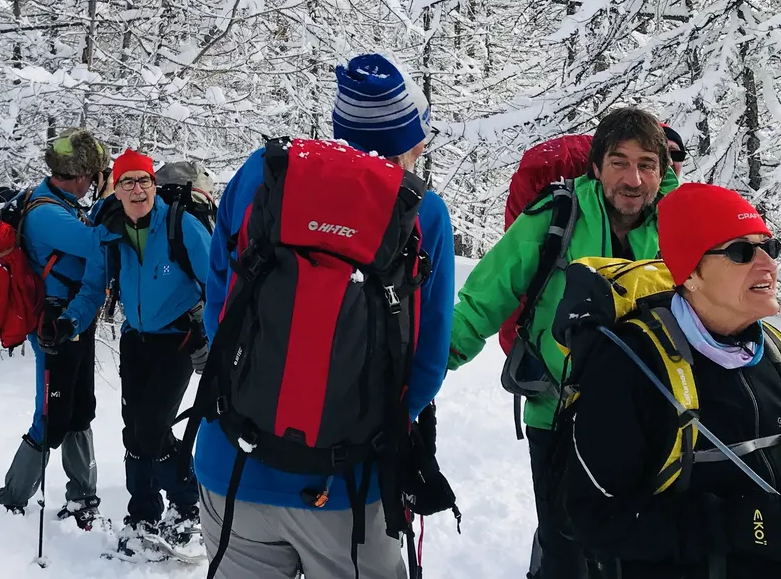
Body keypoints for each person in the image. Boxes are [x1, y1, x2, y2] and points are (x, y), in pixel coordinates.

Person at [194, 53, 455, 579]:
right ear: (408, 139)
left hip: (234, 465)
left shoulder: (258, 175)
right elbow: (425, 367)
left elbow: (219, 315)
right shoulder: (423, 212)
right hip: (349, 492)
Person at [449, 109, 680, 579]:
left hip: (656, 420)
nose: (633, 179)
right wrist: (413, 375)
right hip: (560, 416)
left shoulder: (681, 225)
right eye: (619, 161)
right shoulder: (556, 216)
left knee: (645, 552)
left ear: (662, 170)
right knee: (565, 552)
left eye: (646, 164)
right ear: (596, 167)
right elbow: (480, 302)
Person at [565, 182, 781, 578]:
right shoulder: (632, 365)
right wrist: (743, 525)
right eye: (741, 251)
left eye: (770, 246)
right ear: (691, 272)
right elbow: (597, 517)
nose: (768, 263)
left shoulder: (772, 347)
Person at [97, 148, 211, 561]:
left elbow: (220, 283)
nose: (137, 189)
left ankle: (188, 507)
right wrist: (71, 321)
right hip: (136, 339)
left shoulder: (181, 226)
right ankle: (142, 514)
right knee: (135, 431)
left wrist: (210, 338)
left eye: (144, 181)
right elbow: (95, 281)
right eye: (127, 182)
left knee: (152, 428)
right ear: (117, 189)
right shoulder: (110, 229)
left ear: (154, 185)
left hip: (179, 337)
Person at [0, 129, 109, 528]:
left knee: (80, 408)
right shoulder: (47, 214)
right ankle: (11, 499)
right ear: (79, 175)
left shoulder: (58, 201)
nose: (94, 183)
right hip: (54, 324)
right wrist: (110, 200)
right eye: (93, 176)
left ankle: (82, 494)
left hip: (76, 316)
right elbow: (98, 242)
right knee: (52, 412)